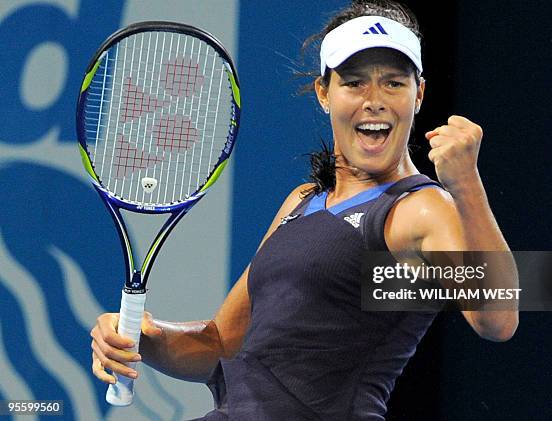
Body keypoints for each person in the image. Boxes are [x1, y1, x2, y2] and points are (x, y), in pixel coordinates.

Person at [90, 1, 519, 419]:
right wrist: (143, 338)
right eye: (354, 82)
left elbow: (497, 318)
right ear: (323, 92)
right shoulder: (301, 202)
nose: (375, 100)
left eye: (393, 82)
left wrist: (466, 186)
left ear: (419, 93)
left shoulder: (419, 209)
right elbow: (222, 344)